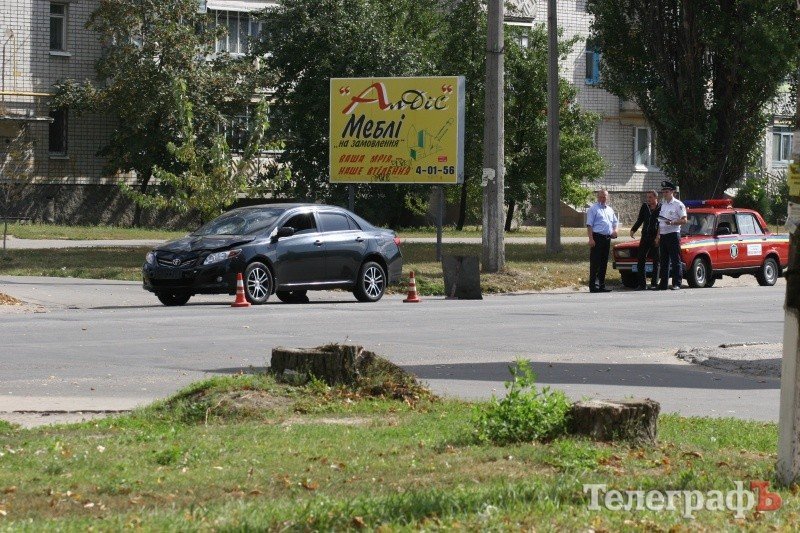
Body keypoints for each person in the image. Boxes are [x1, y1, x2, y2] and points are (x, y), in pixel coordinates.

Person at [586, 189, 619, 293]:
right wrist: (591, 239)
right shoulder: (593, 209)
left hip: (607, 238)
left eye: (604, 197)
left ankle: (601, 285)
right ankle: (593, 285)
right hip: (597, 238)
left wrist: (615, 231)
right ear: (597, 197)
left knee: (604, 262)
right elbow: (589, 225)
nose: (602, 199)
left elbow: (615, 223)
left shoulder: (610, 209)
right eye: (600, 197)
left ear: (607, 197)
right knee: (595, 262)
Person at [657, 181, 687, 290]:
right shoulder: (663, 204)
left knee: (675, 260)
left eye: (667, 191)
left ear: (672, 192)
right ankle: (663, 284)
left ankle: (677, 283)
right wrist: (658, 235)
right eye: (663, 192)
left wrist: (672, 222)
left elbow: (684, 220)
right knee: (664, 261)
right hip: (663, 235)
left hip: (673, 234)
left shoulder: (678, 204)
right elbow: (660, 221)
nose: (664, 194)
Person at [630, 190, 661, 290]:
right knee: (640, 258)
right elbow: (640, 219)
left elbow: (661, 224)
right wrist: (633, 229)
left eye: (650, 197)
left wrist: (658, 237)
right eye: (647, 197)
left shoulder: (661, 207)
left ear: (656, 197)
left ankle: (654, 283)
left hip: (655, 237)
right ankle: (642, 284)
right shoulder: (645, 206)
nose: (648, 199)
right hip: (645, 236)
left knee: (656, 260)